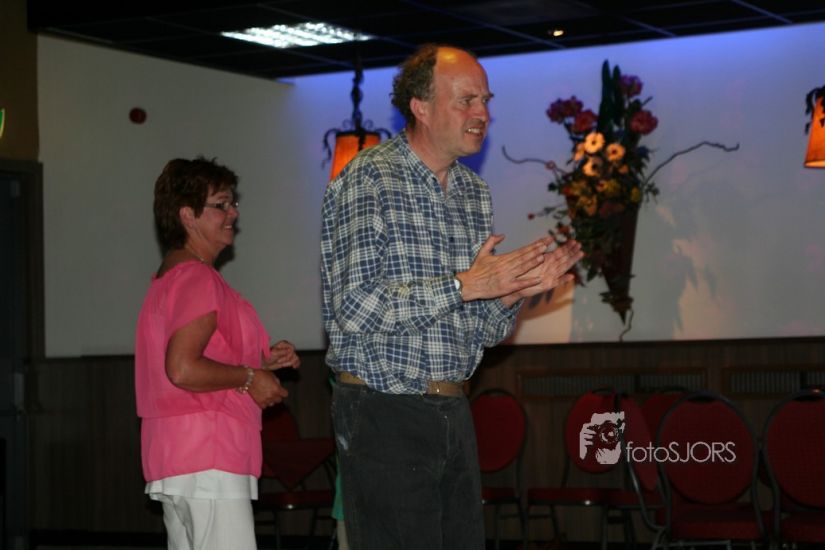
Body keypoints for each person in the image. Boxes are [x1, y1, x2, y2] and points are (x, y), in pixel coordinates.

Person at [320, 44, 583, 549]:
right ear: (420, 106)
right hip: (382, 409)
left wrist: (512, 292)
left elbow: (478, 329)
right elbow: (354, 306)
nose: (482, 113)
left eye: (485, 100)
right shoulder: (369, 178)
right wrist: (466, 285)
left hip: (454, 407)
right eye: (466, 100)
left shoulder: (473, 193)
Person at [135, 157, 300, 550]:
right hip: (208, 455)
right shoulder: (197, 277)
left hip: (180, 455)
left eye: (233, 203)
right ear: (188, 216)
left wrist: (262, 363)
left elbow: (195, 359)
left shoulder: (171, 277)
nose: (233, 213)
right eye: (221, 205)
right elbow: (181, 368)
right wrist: (251, 377)